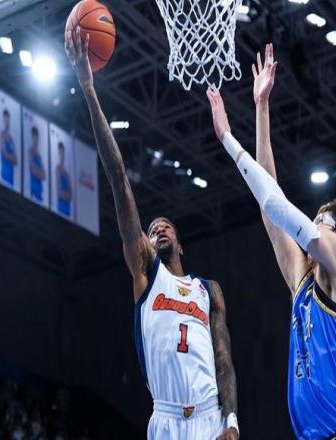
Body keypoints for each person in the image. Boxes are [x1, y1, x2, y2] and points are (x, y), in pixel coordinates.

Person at [65, 27, 239, 440]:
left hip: (210, 415)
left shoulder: (208, 291)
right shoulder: (146, 271)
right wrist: (89, 90)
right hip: (165, 420)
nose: (158, 226)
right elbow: (118, 177)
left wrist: (230, 422)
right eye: (151, 227)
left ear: (180, 242)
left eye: (166, 225)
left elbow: (224, 361)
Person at [207, 44, 336, 440]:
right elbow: (270, 207)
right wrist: (261, 108)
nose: (312, 224)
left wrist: (228, 139)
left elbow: (276, 204)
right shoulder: (304, 283)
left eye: (321, 220)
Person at [0, 109, 18, 187]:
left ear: (9, 119)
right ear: (3, 120)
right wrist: (11, 157)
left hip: (11, 177)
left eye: (7, 119)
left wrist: (11, 157)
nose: (6, 121)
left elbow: (16, 161)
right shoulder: (2, 135)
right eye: (5, 119)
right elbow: (5, 155)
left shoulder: (11, 140)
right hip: (4, 175)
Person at [28, 126, 46, 203]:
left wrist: (38, 172)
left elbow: (44, 176)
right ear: (32, 137)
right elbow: (32, 169)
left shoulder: (39, 156)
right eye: (34, 136)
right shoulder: (30, 152)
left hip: (40, 191)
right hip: (33, 189)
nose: (35, 139)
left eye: (36, 136)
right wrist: (39, 172)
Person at [56, 142, 72, 216]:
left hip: (67, 209)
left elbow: (70, 195)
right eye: (60, 153)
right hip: (61, 207)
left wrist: (65, 194)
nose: (61, 155)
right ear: (58, 154)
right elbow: (59, 192)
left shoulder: (67, 174)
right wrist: (66, 195)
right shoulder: (57, 169)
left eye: (62, 152)